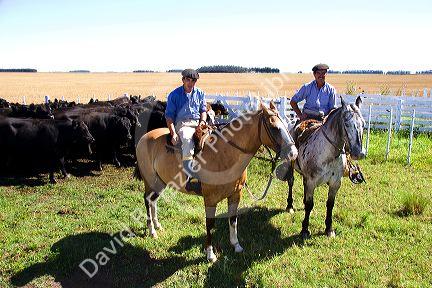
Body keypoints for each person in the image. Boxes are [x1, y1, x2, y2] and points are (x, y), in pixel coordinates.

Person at [165, 69, 207, 192]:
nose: (190, 82)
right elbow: (169, 116)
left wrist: (203, 123)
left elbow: (203, 111)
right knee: (188, 140)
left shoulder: (200, 93)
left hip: (198, 123)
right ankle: (190, 178)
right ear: (183, 80)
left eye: (193, 80)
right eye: (188, 80)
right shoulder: (174, 95)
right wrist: (173, 133)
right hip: (182, 124)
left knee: (213, 140)